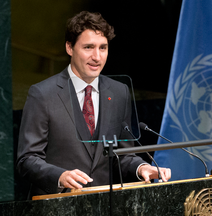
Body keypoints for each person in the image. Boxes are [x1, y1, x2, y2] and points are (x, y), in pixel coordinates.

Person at [16, 11, 171, 198]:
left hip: (105, 204)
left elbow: (122, 155)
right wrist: (60, 176)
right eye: (88, 47)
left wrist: (142, 167)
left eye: (103, 48)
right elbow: (27, 159)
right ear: (69, 48)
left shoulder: (119, 92)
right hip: (58, 204)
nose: (97, 57)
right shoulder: (42, 94)